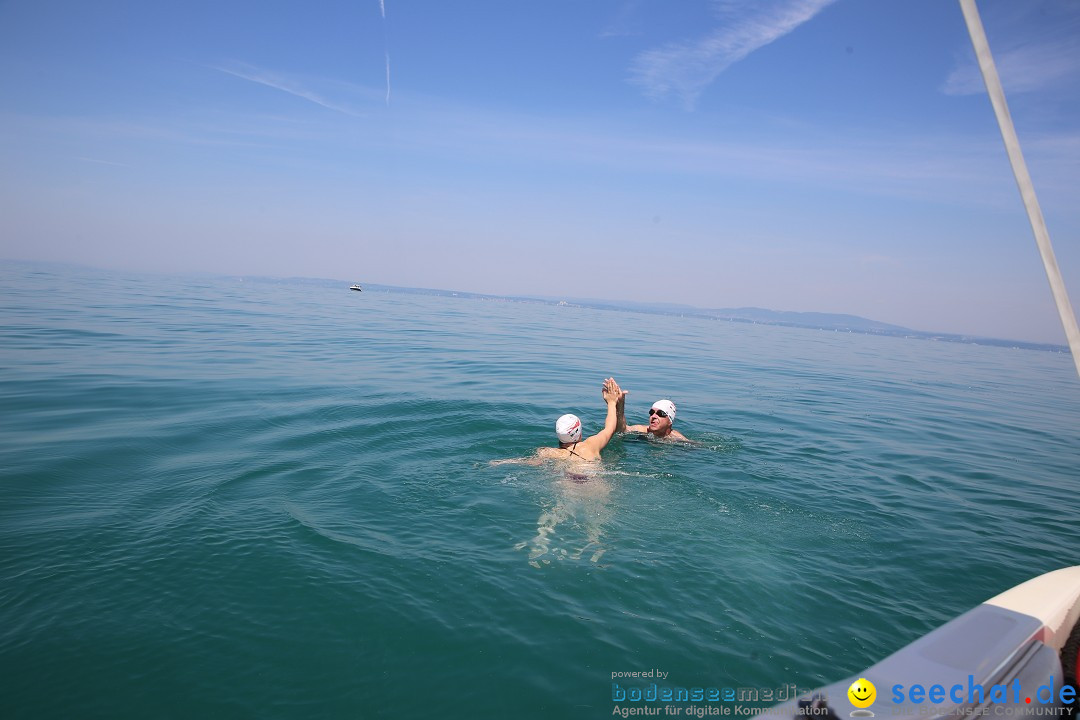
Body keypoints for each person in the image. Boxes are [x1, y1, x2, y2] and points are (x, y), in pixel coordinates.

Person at [491, 377, 626, 465]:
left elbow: (528, 462)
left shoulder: (548, 452)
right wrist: (611, 402)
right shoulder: (591, 446)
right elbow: (610, 428)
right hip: (594, 484)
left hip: (567, 485)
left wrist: (501, 462)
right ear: (579, 432)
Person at [617, 395, 689, 441]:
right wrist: (620, 405)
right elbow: (622, 429)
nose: (653, 416)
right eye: (651, 412)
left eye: (660, 414)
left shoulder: (677, 439)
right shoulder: (642, 430)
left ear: (670, 421)